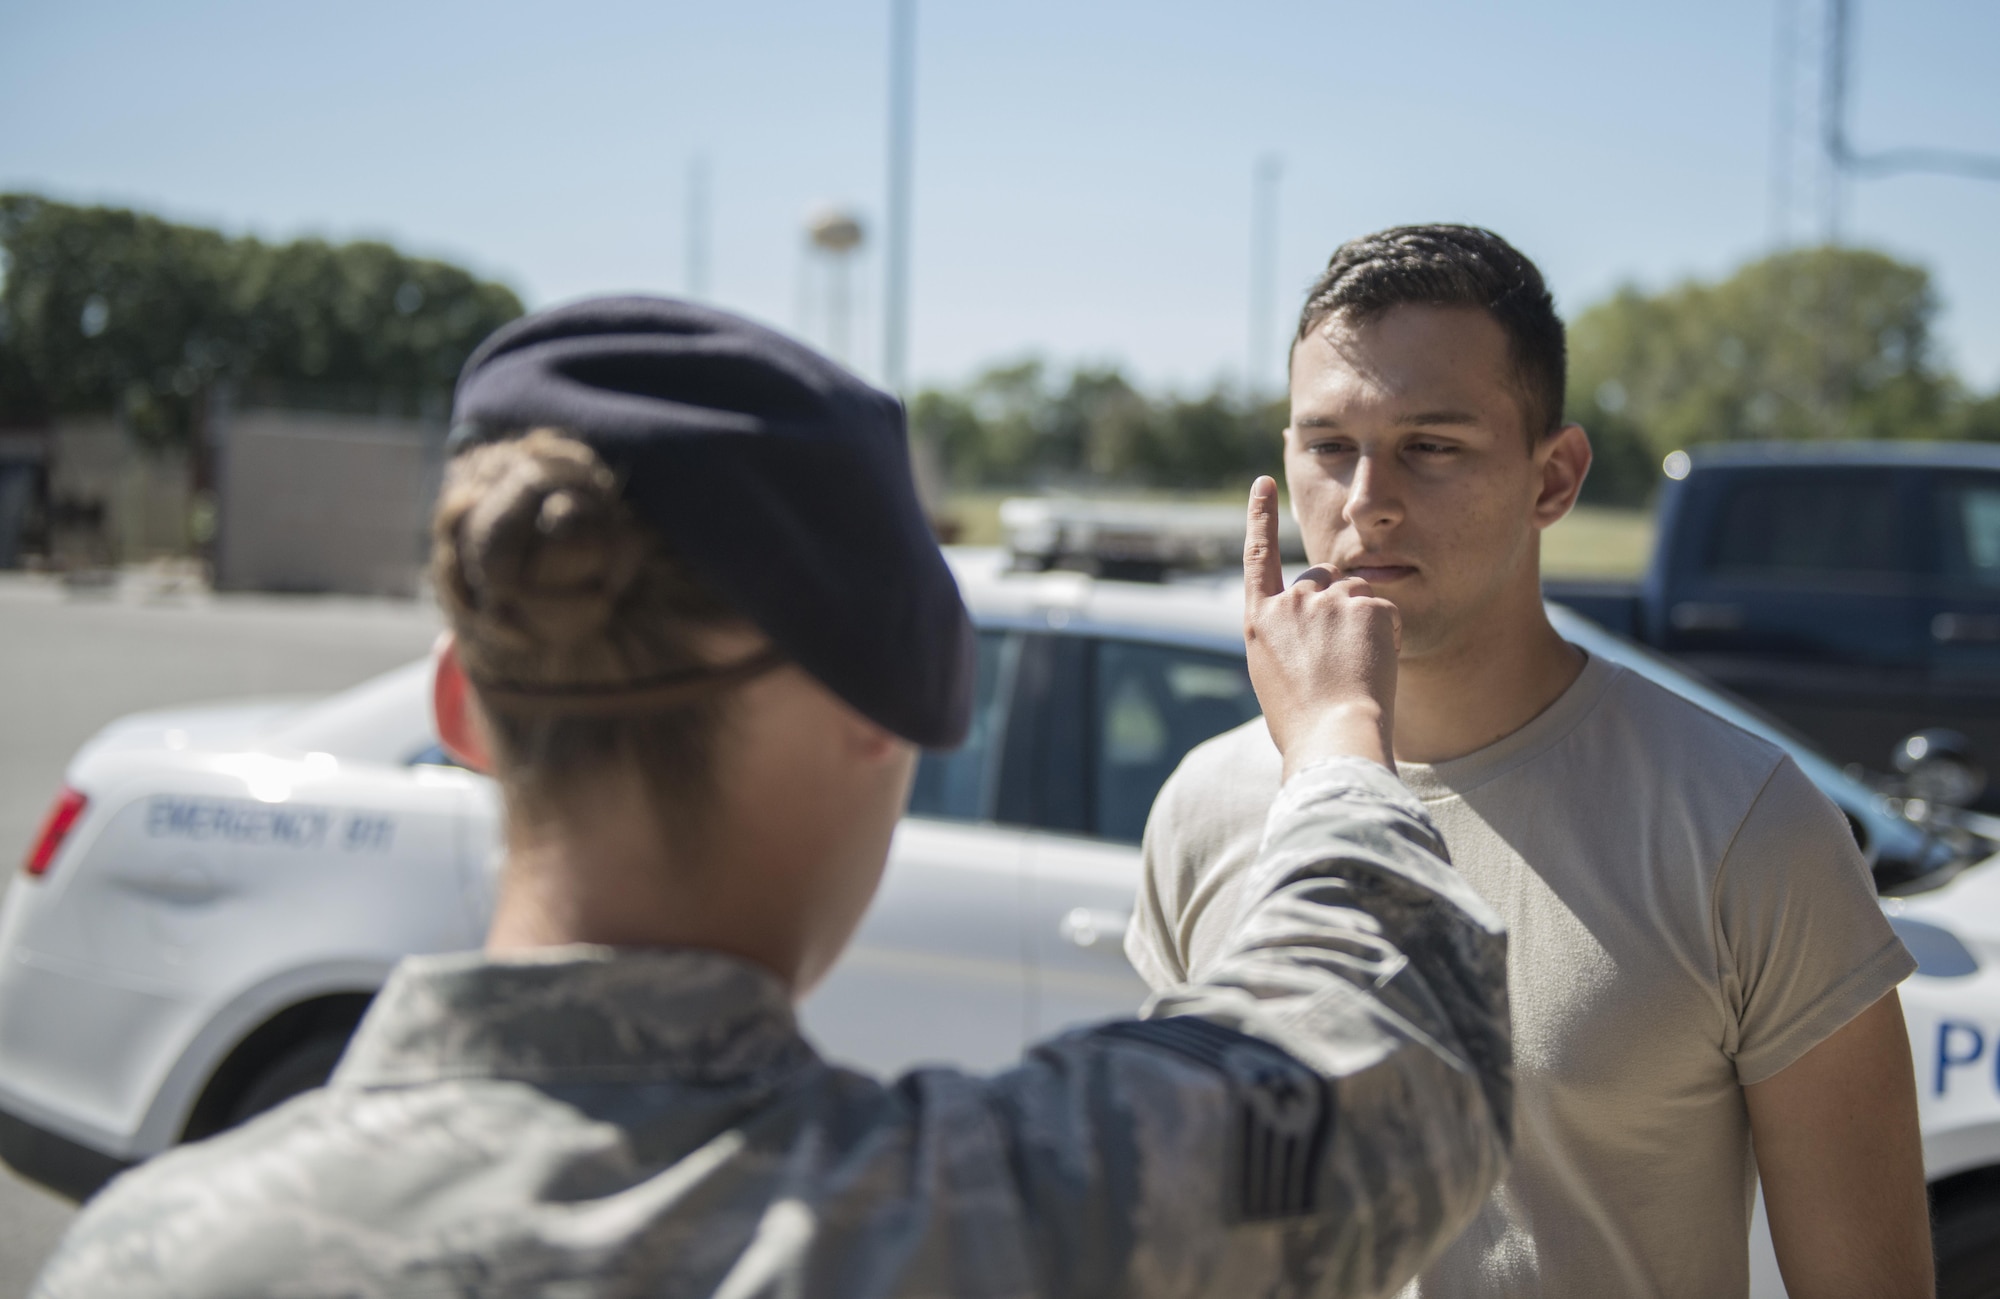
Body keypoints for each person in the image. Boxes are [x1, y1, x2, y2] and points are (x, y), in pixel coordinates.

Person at [34, 297, 1512, 1299]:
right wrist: (1335, 738)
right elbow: (1396, 1056)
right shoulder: (969, 1218)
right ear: (883, 720)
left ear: (459, 710)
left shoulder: (148, 1254)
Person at [1131, 225, 1932, 1299]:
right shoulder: (1206, 803)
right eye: (1327, 445)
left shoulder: (1743, 823)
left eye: (1431, 445)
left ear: (1551, 478)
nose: (1364, 497)